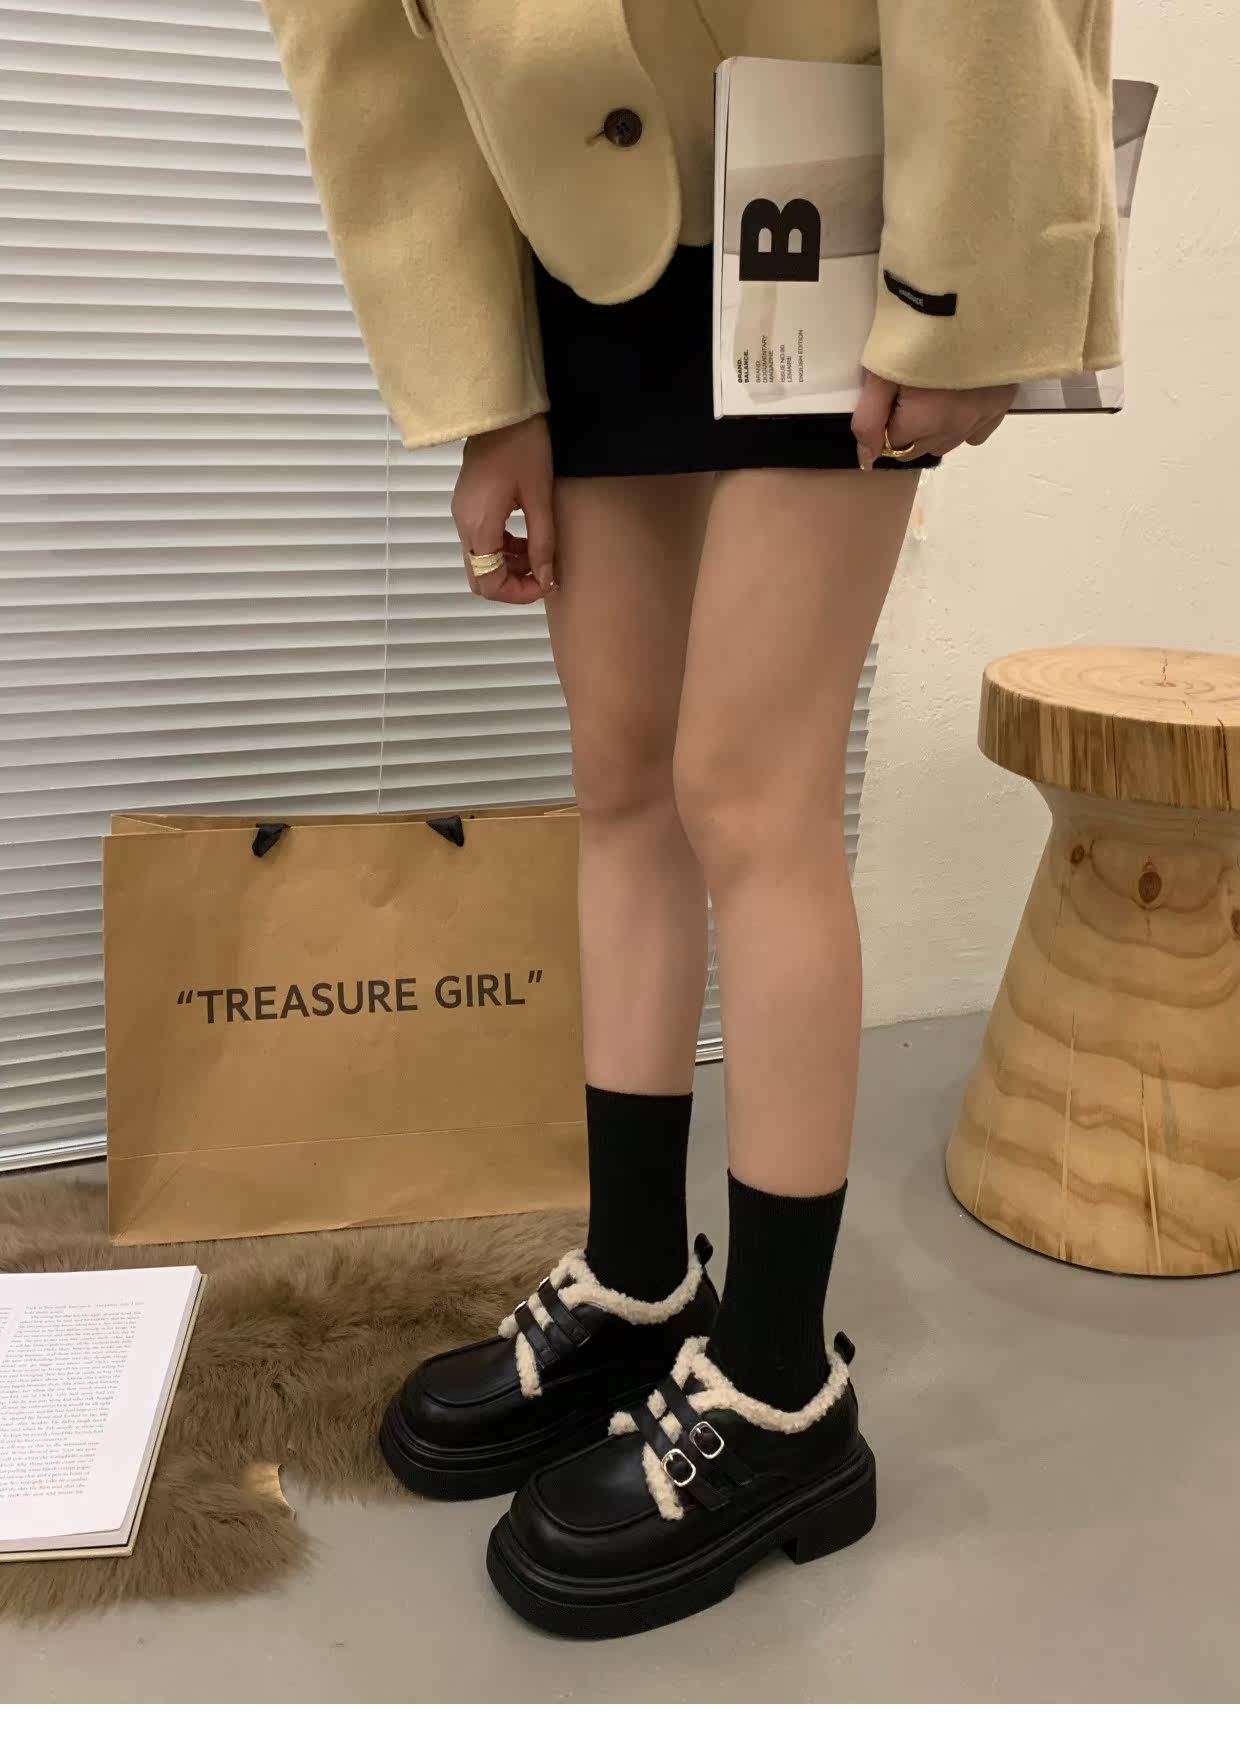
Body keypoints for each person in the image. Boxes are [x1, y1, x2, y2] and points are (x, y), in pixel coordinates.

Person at [260, 0, 1120, 1638]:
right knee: (625, 785)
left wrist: (968, 281)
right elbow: (369, 50)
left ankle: (785, 1390)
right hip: (583, 255)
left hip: (833, 204)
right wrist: (481, 384)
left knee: (749, 793)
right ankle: (641, 1280)